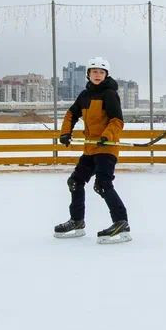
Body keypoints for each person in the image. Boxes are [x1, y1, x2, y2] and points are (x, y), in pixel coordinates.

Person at [53, 57, 131, 243]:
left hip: (106, 148)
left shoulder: (109, 94)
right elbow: (71, 114)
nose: (97, 75)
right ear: (88, 74)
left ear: (106, 75)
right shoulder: (84, 95)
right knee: (75, 181)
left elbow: (117, 121)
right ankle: (77, 221)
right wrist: (65, 132)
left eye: (101, 72)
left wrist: (107, 136)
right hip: (90, 149)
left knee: (102, 184)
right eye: (94, 72)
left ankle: (121, 223)